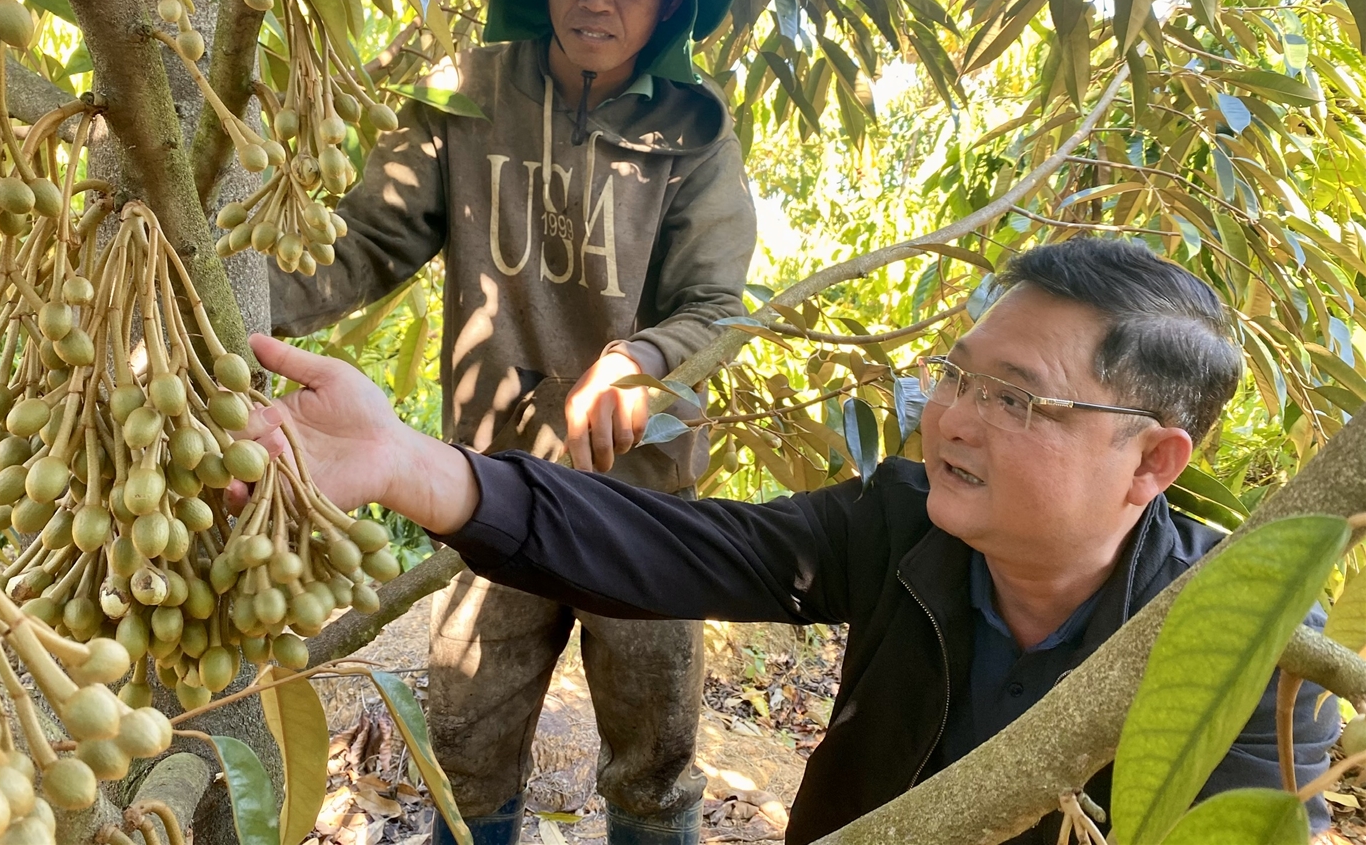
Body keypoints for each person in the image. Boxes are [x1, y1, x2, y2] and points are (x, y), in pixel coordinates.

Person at [243, 239, 1337, 844]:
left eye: (1015, 398)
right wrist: (411, 466)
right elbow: (676, 545)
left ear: (1152, 462)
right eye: (957, 374)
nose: (952, 416)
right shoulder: (901, 522)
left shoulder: (1246, 646)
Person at [268, 0, 755, 845]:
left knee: (654, 756)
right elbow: (367, 243)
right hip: (489, 485)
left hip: (641, 497)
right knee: (470, 743)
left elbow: (716, 305)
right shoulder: (473, 93)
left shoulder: (695, 132)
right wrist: (237, 299)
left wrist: (645, 361)